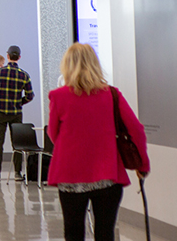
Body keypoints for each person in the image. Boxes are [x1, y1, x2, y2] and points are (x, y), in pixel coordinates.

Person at [48, 44, 150, 241]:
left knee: (73, 232)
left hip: (71, 176)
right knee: (105, 233)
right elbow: (136, 130)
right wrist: (142, 164)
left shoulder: (58, 96)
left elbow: (54, 135)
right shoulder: (111, 95)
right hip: (107, 175)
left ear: (67, 66)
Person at [0, 45, 35, 182]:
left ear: (7, 56)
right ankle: (18, 173)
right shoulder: (24, 75)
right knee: (17, 144)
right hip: (16, 113)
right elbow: (30, 96)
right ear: (19, 57)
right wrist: (19, 102)